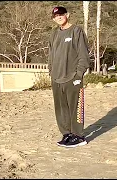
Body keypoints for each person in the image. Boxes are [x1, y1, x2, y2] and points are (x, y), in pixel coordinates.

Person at [48, 6, 91, 148]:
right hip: (56, 78)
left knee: (75, 108)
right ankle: (67, 134)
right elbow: (50, 55)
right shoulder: (54, 34)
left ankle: (78, 136)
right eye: (55, 16)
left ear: (67, 15)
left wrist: (79, 74)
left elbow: (83, 56)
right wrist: (51, 72)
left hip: (72, 77)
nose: (58, 17)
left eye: (61, 14)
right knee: (61, 109)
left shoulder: (76, 31)